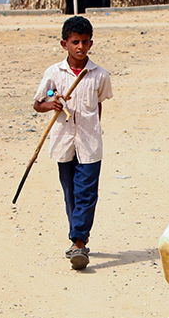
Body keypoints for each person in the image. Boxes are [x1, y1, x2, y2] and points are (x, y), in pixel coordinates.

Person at [33, 16, 113, 271]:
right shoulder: (54, 74)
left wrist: (93, 130)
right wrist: (52, 104)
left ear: (91, 43)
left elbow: (98, 105)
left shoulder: (99, 76)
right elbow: (38, 104)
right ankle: (78, 237)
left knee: (87, 193)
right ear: (64, 44)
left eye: (85, 42)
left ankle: (78, 243)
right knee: (71, 193)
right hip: (63, 142)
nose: (80, 47)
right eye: (75, 42)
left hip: (90, 143)